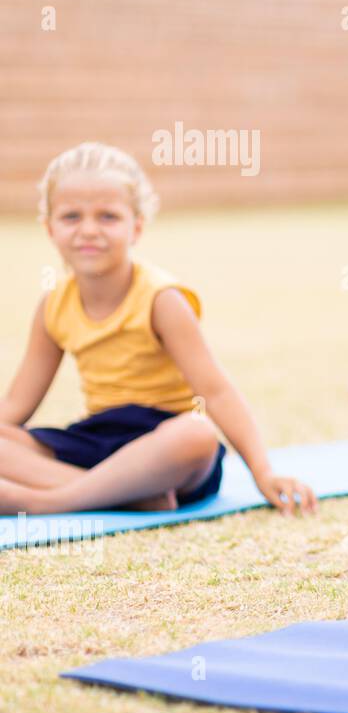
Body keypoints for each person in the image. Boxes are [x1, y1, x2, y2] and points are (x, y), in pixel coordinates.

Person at [0, 143, 318, 515]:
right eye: (71, 217)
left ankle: (47, 501)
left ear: (136, 227)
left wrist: (263, 472)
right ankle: (126, 495)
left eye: (107, 217)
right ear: (49, 228)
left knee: (196, 434)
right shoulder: (53, 306)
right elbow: (15, 407)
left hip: (164, 445)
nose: (89, 230)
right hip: (99, 440)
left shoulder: (162, 300)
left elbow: (215, 392)